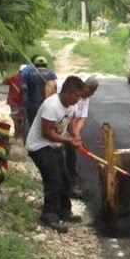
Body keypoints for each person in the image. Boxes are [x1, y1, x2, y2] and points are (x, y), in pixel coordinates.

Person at [26, 76, 86, 233]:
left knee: (65, 178)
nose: (79, 99)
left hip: (55, 145)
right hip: (39, 146)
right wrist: (68, 141)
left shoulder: (70, 105)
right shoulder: (51, 105)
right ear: (68, 92)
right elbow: (47, 133)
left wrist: (75, 135)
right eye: (77, 95)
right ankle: (49, 215)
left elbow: (71, 121)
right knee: (53, 179)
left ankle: (64, 211)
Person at [65, 75, 99, 198]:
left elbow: (82, 118)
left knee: (72, 158)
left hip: (71, 131)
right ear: (86, 87)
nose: (92, 94)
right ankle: (63, 185)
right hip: (61, 128)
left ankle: (73, 185)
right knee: (59, 158)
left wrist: (76, 134)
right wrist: (74, 134)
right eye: (92, 90)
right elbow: (69, 116)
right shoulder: (73, 95)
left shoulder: (85, 98)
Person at [23, 56, 57, 127]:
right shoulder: (51, 74)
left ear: (34, 65)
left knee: (33, 126)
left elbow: (24, 89)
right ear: (46, 65)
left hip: (32, 105)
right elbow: (54, 90)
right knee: (47, 127)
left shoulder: (28, 75)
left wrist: (25, 104)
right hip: (47, 105)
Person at [2, 69, 25, 139]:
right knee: (22, 119)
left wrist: (7, 77)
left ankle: (17, 134)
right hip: (22, 103)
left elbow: (4, 82)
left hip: (14, 103)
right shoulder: (28, 77)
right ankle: (19, 134)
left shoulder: (13, 77)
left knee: (16, 119)